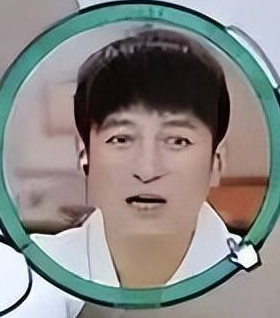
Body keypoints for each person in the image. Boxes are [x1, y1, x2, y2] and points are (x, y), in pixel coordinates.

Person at [39, 28, 239, 295]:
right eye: (121, 139)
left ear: (217, 162)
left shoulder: (266, 279)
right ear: (83, 153)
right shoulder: (28, 272)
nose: (147, 170)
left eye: (178, 141)